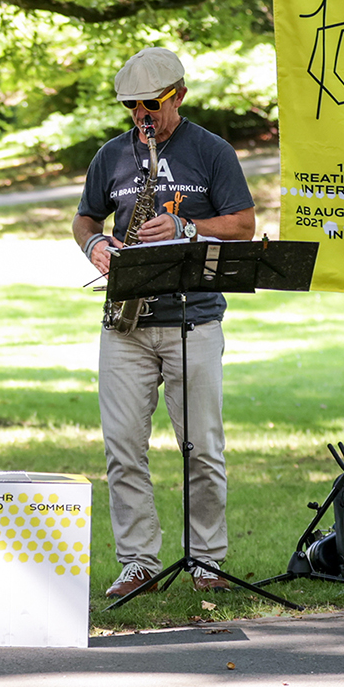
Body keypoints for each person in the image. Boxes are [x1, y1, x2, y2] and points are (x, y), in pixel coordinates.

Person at [70, 47, 256, 598]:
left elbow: (244, 225)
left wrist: (187, 228)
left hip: (192, 318)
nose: (141, 115)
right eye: (132, 106)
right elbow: (84, 219)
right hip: (125, 322)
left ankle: (207, 560)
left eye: (151, 104)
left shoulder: (212, 151)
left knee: (202, 448)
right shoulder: (112, 154)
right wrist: (94, 244)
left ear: (179, 96)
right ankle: (137, 562)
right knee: (122, 448)